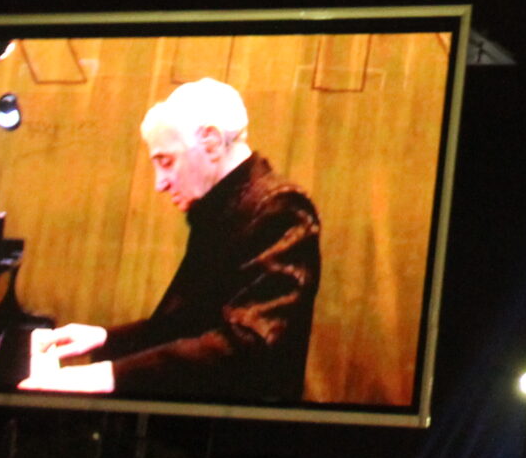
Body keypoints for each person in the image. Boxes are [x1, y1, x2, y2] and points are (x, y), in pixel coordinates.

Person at [19, 78, 321, 401]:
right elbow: (185, 325)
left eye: (166, 162)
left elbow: (246, 344)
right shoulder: (223, 206)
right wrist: (103, 340)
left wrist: (104, 376)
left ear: (212, 142)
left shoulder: (279, 208)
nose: (159, 184)